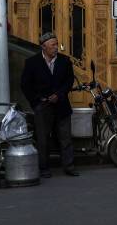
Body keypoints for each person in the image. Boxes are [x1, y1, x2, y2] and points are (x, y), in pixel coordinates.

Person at [21, 32, 79, 178]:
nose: (56, 47)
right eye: (53, 45)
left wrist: (59, 95)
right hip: (42, 106)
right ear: (44, 47)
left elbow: (69, 81)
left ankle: (69, 166)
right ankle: (44, 168)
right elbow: (25, 85)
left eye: (56, 44)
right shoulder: (32, 62)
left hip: (62, 105)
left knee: (65, 138)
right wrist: (36, 102)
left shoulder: (65, 61)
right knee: (43, 138)